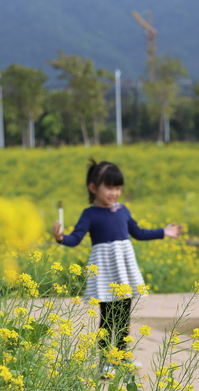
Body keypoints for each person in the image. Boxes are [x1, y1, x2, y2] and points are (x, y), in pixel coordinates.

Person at [52, 159, 181, 377]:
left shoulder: (123, 210)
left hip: (123, 271)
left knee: (123, 317)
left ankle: (121, 358)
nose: (115, 193)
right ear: (93, 188)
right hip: (104, 271)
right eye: (110, 187)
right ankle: (105, 362)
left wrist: (163, 232)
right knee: (107, 318)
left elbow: (138, 233)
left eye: (118, 188)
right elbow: (76, 237)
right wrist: (61, 238)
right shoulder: (90, 214)